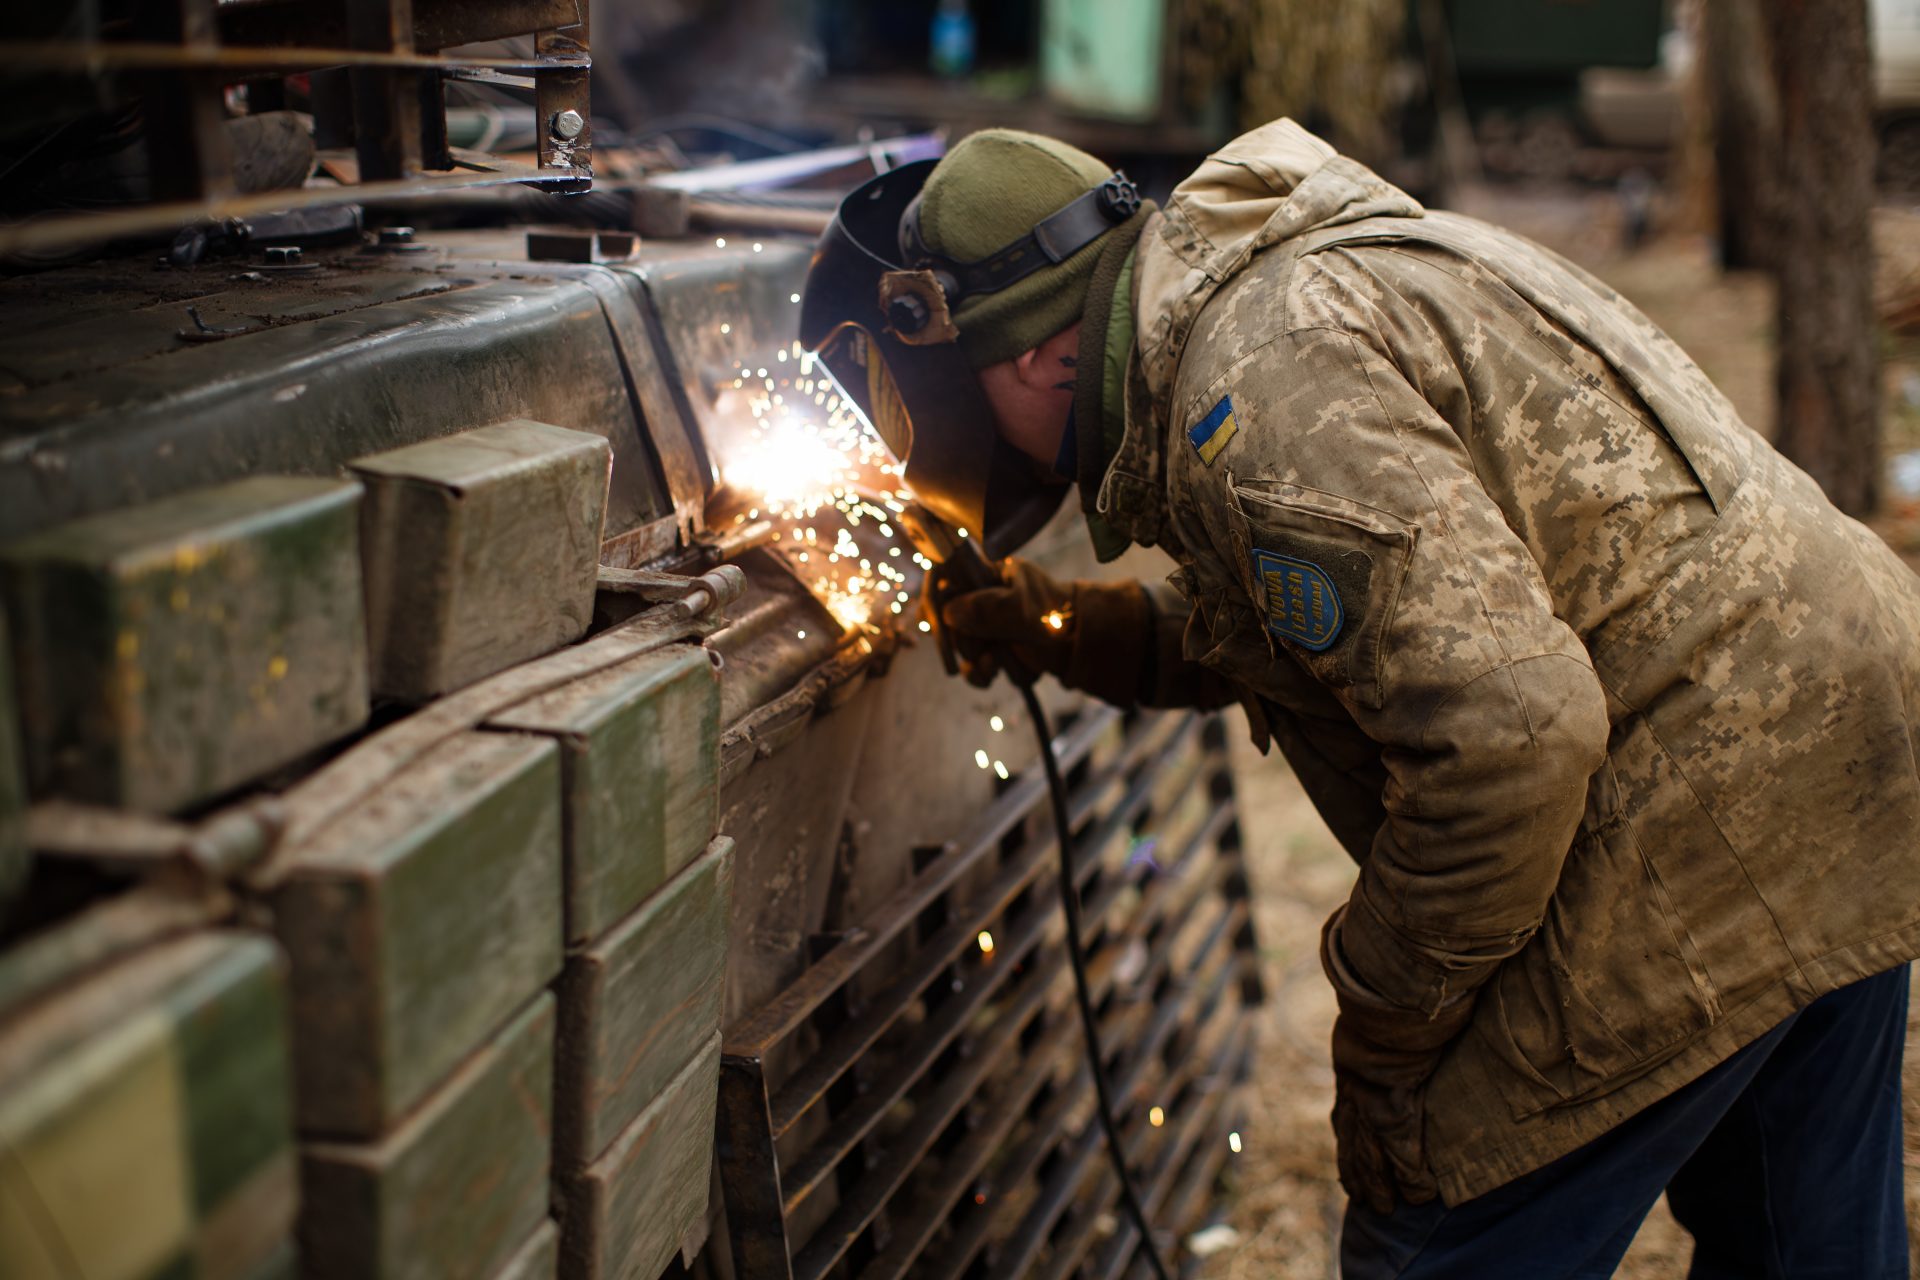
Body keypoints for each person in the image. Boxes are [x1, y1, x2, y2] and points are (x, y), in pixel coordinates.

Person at [798, 121, 1920, 1278]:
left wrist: (1388, 1020)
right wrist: (1068, 625)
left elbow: (1510, 739)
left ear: (1031, 358)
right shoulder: (1276, 288)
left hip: (1703, 789)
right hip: (1836, 735)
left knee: (1432, 1226)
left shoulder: (1259, 386)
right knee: (1800, 1244)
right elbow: (1351, 616)